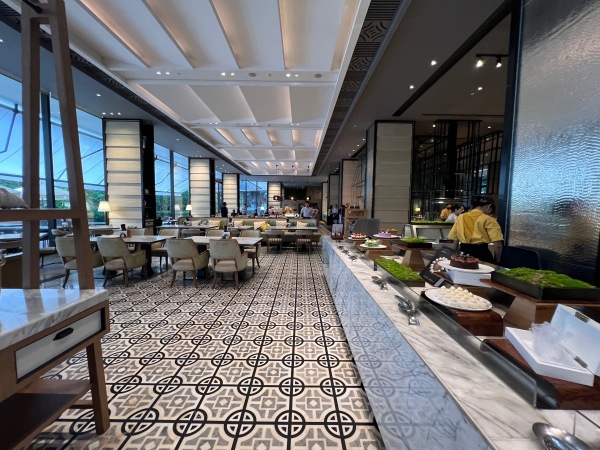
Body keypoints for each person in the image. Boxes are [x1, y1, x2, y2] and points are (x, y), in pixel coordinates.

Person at [448, 196, 503, 263]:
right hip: (482, 255)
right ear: (489, 206)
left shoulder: (461, 217)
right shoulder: (488, 219)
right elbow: (498, 245)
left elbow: (455, 240)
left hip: (463, 255)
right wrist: (497, 261)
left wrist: (454, 257)